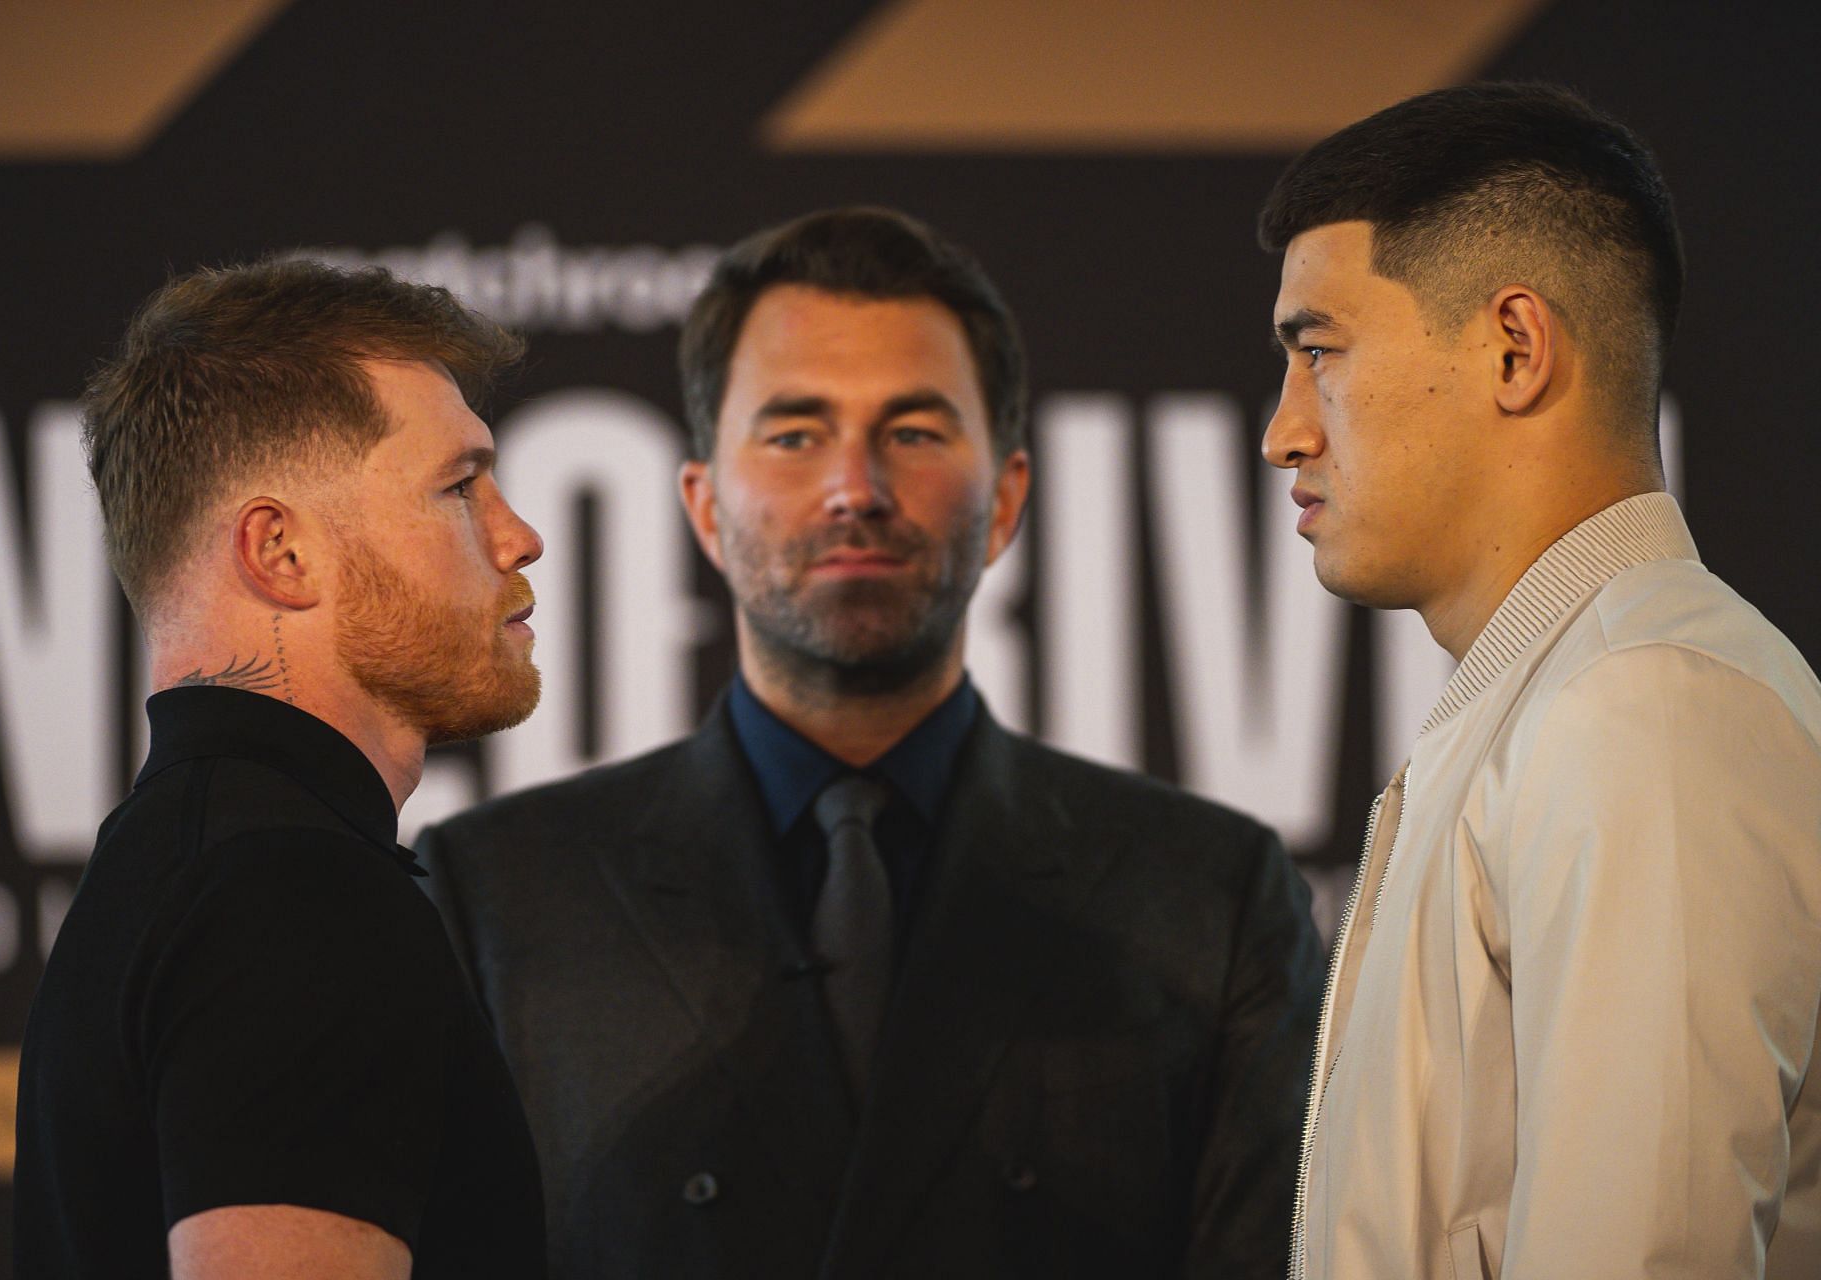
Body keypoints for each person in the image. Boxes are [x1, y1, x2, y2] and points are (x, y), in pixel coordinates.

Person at [416, 206, 1325, 1278]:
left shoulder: (1210, 899)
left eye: (914, 431)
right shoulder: (491, 899)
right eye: (796, 433)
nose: (857, 486)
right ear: (704, 505)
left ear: (1006, 500)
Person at [1258, 81, 1821, 1278]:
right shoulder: (1565, 698)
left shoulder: (1650, 707)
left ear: (1513, 347)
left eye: (1318, 351)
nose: (1285, 429)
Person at [14, 260, 551, 1278]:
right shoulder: (290, 894)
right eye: (458, 485)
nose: (519, 534)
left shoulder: (178, 860)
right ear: (282, 552)